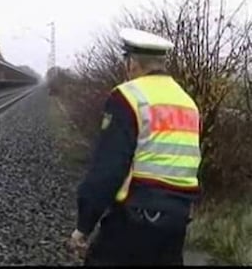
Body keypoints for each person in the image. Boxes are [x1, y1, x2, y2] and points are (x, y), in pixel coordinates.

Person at [67, 28, 202, 266]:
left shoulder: (128, 97)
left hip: (135, 216)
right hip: (178, 220)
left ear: (131, 63)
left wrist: (84, 226)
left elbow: (108, 169)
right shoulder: (187, 103)